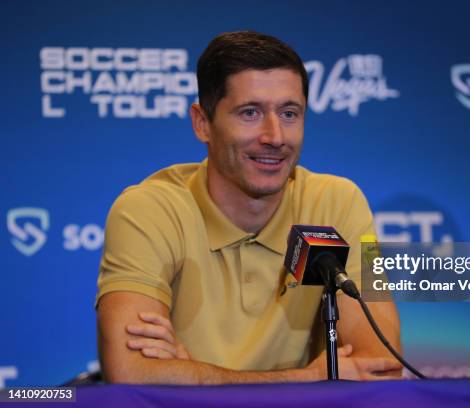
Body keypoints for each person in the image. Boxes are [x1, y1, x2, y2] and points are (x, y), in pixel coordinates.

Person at [95, 31, 402, 384]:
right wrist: (305, 379)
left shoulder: (335, 203)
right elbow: (130, 370)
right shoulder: (149, 211)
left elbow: (380, 363)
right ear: (202, 123)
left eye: (289, 113)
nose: (274, 136)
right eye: (250, 112)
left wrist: (191, 375)